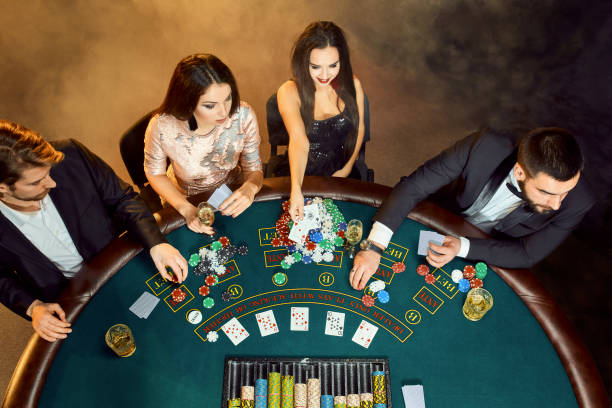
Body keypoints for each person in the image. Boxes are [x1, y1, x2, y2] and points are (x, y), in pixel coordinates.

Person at [0, 120, 188, 341]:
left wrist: (157, 243)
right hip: (69, 297)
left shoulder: (71, 154)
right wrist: (33, 307)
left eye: (48, 172)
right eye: (37, 182)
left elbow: (123, 199)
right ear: (3, 188)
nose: (51, 183)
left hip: (119, 262)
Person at [350, 127, 594, 290]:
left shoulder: (579, 201)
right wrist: (374, 246)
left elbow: (526, 253)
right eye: (548, 193)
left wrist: (463, 246)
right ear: (520, 172)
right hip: (442, 214)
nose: (556, 205)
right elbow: (415, 186)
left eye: (566, 192)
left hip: (487, 250)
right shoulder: (485, 147)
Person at [144, 54, 263, 234]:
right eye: (210, 105)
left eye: (228, 98)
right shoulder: (162, 126)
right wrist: (185, 208)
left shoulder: (243, 114)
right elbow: (155, 174)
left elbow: (253, 166)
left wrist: (250, 187)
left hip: (232, 189)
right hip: (184, 198)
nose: (224, 111)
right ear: (188, 102)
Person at [276, 21, 366, 222]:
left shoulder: (353, 84)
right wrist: (296, 190)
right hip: (302, 169)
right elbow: (300, 141)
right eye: (316, 67)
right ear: (303, 62)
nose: (325, 75)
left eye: (333, 65)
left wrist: (347, 168)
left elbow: (360, 128)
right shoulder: (289, 91)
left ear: (342, 60)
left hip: (341, 166)